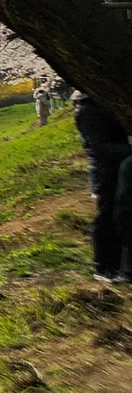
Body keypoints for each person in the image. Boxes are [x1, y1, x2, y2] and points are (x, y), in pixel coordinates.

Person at [73, 94, 131, 282]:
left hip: (116, 168)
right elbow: (100, 148)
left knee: (120, 216)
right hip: (105, 171)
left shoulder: (100, 104)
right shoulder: (88, 110)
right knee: (107, 217)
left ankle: (119, 267)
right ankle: (104, 267)